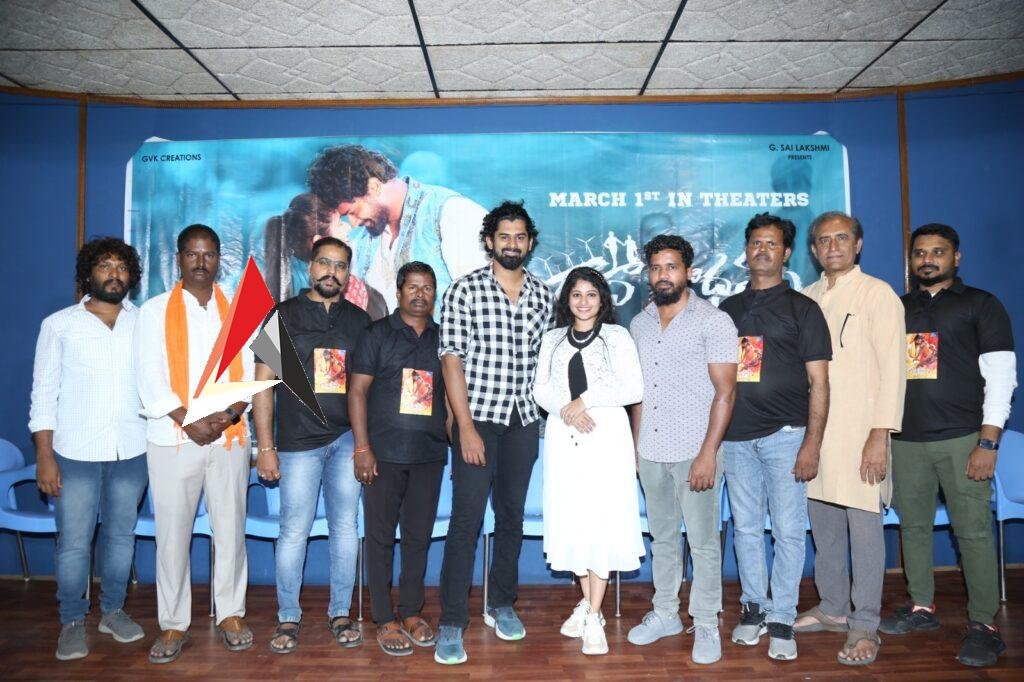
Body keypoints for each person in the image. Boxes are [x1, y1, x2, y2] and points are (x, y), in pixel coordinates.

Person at [880, 223, 1016, 668]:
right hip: (906, 441)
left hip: (963, 440)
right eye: (920, 253)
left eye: (938, 252)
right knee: (913, 528)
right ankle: (922, 606)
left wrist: (988, 442)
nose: (928, 259)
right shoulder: (898, 308)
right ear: (911, 260)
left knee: (972, 531)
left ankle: (984, 625)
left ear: (956, 257)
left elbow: (1001, 377)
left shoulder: (981, 304)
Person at [433, 200, 556, 665]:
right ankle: (451, 622)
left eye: (520, 236)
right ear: (489, 241)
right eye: (504, 236)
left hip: (523, 422)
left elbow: (547, 363)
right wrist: (464, 427)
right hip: (478, 420)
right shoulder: (464, 290)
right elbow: (451, 361)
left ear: (530, 243)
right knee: (466, 522)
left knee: (511, 518)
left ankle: (500, 603)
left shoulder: (544, 296)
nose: (512, 244)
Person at [134, 224, 255, 663]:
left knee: (231, 529)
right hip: (172, 438)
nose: (201, 262)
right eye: (192, 253)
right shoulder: (153, 312)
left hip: (228, 438)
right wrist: (189, 421)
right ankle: (173, 623)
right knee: (172, 535)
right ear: (179, 258)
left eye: (209, 254)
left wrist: (227, 416)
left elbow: (249, 374)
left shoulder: (238, 311)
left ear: (219, 258)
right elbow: (149, 378)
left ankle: (231, 614)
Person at [718, 212, 832, 661]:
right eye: (755, 243)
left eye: (772, 244)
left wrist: (812, 444)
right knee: (746, 529)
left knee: (787, 531)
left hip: (787, 436)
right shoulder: (727, 310)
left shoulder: (804, 309)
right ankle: (754, 608)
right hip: (735, 439)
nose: (762, 250)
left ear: (786, 253)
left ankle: (783, 615)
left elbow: (819, 383)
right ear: (746, 251)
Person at [29, 237, 148, 661]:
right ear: (87, 274)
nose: (114, 274)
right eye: (105, 266)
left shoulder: (144, 323)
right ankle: (72, 620)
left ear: (132, 276)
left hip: (131, 450)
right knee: (75, 543)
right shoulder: (59, 325)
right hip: (74, 452)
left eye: (122, 267)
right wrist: (44, 455)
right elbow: (43, 394)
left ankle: (113, 611)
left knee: (120, 539)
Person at [795, 212, 906, 666]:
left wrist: (880, 435)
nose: (833, 246)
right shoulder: (806, 297)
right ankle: (833, 608)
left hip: (862, 434)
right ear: (814, 250)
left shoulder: (878, 294)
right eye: (824, 240)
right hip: (816, 436)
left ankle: (865, 624)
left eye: (842, 238)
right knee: (824, 528)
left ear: (857, 244)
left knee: (864, 533)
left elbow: (895, 372)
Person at [252, 237, 370, 654]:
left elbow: (368, 388)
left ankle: (341, 613)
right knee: (293, 532)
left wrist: (364, 444)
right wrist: (265, 446)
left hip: (345, 440)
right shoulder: (282, 315)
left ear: (348, 274)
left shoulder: (360, 321)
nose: (331, 272)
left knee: (345, 528)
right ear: (309, 267)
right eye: (324, 262)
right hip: (297, 443)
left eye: (340, 265)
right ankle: (288, 617)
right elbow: (262, 384)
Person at [627, 235, 738, 665]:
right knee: (663, 538)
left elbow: (726, 394)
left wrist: (709, 453)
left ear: (688, 272)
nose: (663, 275)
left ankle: (706, 620)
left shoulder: (714, 321)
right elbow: (639, 394)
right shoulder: (639, 324)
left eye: (671, 266)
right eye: (656, 267)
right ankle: (666, 614)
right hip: (651, 450)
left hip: (696, 450)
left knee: (704, 542)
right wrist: (636, 447)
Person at [533, 267, 645, 656]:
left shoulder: (618, 336)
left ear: (603, 299)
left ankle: (594, 615)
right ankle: (586, 603)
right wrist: (567, 410)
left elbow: (633, 387)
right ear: (567, 299)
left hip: (606, 437)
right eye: (576, 294)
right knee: (573, 521)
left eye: (591, 294)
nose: (583, 301)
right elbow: (540, 389)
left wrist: (585, 401)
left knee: (602, 521)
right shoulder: (552, 339)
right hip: (564, 438)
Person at [348, 261, 448, 656]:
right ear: (399, 291)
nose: (420, 294)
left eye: (427, 288)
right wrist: (362, 448)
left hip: (429, 455)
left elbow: (453, 395)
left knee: (418, 538)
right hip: (383, 455)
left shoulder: (444, 337)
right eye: (413, 287)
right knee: (379, 538)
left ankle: (411, 612)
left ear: (434, 294)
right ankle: (384, 618)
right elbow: (357, 392)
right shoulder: (377, 334)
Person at [307, 145, 488, 312]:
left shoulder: (453, 213)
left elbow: (485, 307)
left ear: (374, 187)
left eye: (353, 212)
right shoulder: (361, 241)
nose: (353, 224)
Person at [263, 192, 387, 318]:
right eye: (339, 223)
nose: (348, 227)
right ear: (319, 241)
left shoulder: (277, 273)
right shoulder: (348, 290)